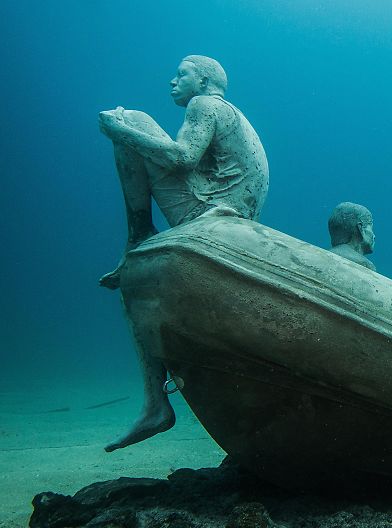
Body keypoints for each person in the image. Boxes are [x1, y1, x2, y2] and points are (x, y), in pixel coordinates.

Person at [98, 56, 269, 452]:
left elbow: (182, 157)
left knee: (132, 119)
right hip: (232, 214)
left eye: (182, 75)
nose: (172, 82)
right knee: (130, 125)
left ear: (203, 79)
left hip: (208, 211)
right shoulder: (232, 114)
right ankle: (157, 404)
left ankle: (137, 236)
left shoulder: (204, 105)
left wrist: (119, 131)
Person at [328, 202, 376, 271]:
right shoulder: (364, 265)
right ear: (361, 229)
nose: (374, 235)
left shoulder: (322, 255)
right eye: (370, 227)